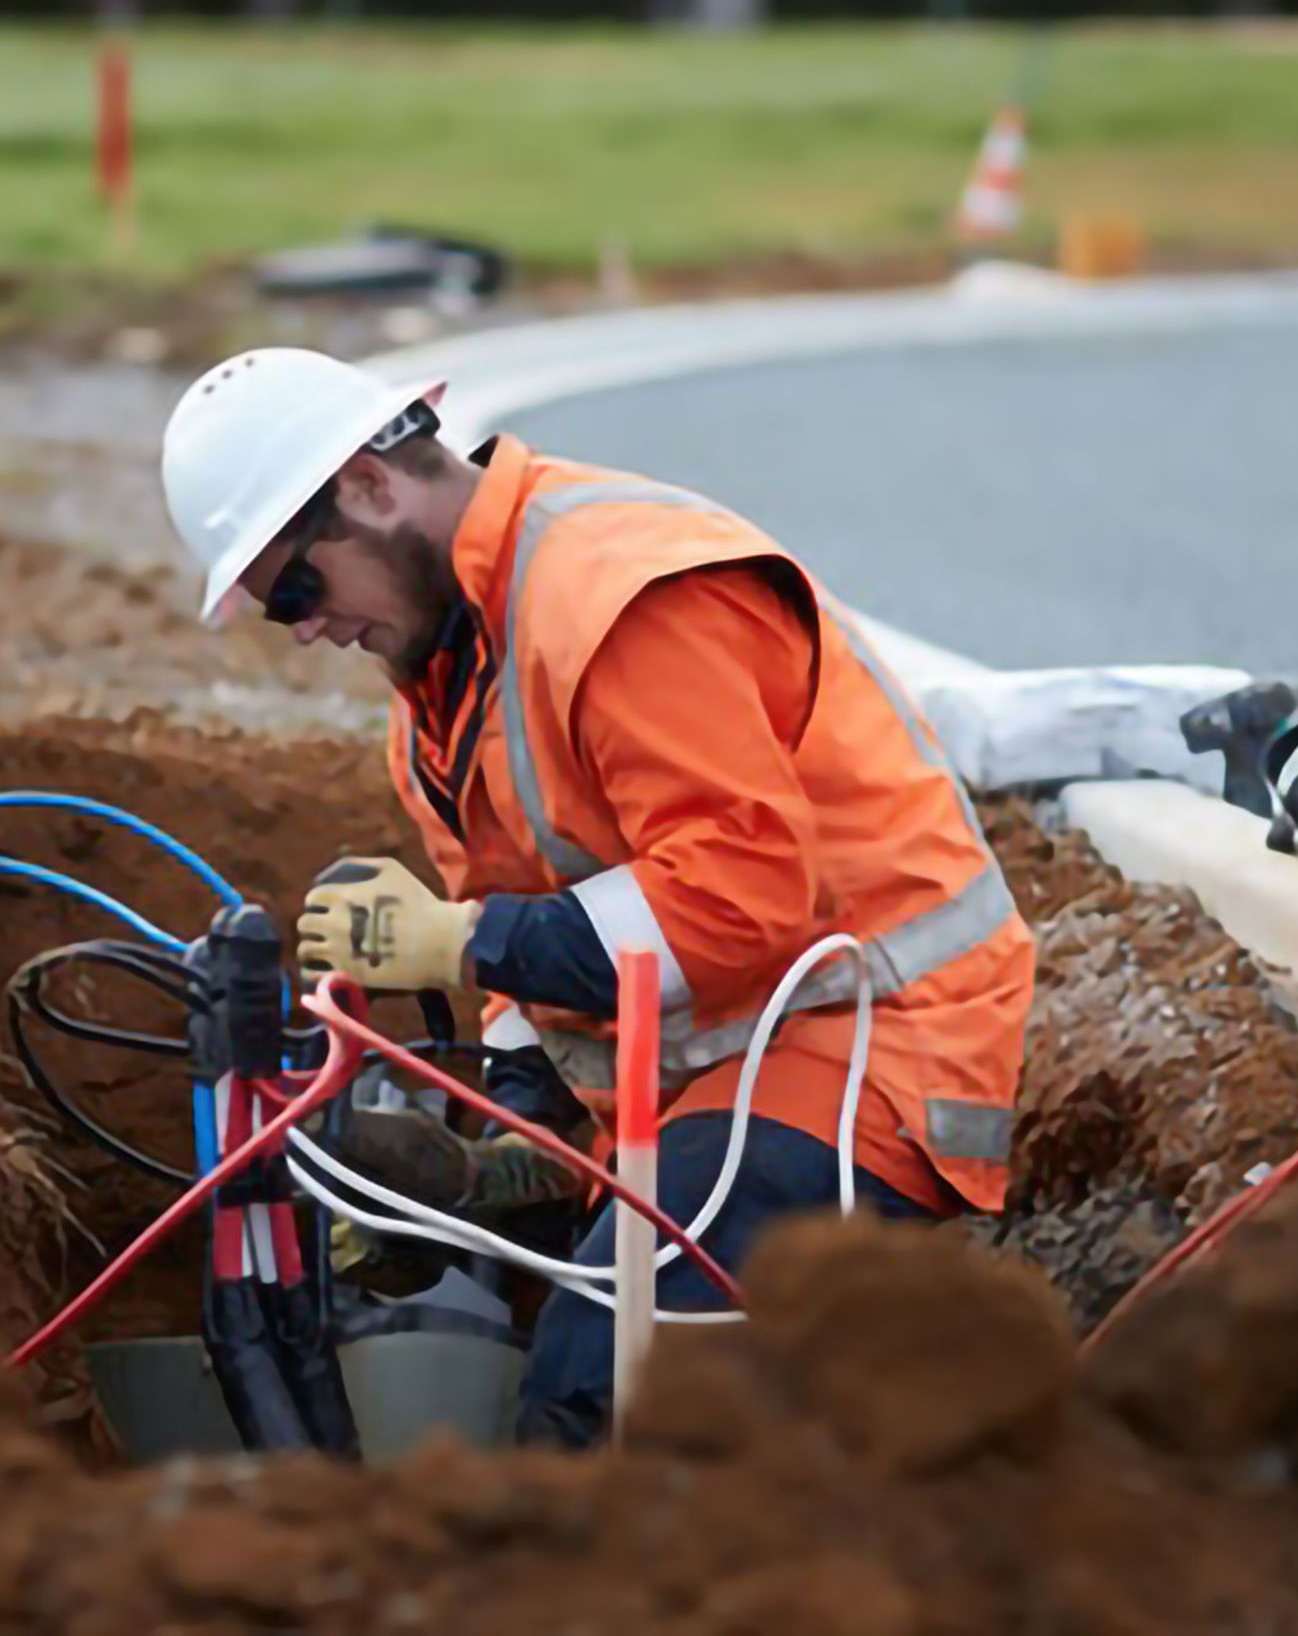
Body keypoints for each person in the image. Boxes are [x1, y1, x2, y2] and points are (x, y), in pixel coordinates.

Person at [160, 346, 1034, 1447]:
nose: (303, 626)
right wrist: (497, 1166)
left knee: (597, 1394)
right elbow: (539, 991)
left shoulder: (618, 596)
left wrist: (467, 941)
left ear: (372, 485)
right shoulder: (441, 690)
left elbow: (740, 900)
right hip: (700, 1076)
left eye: (294, 583)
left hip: (868, 1044)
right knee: (575, 1331)